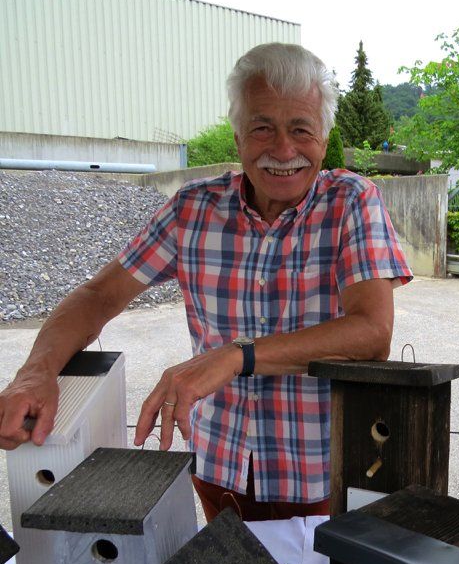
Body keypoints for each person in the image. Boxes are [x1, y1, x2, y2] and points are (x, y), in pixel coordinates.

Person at [0, 43, 412, 522]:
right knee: (221, 558)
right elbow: (97, 297)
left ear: (323, 138)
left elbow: (372, 333)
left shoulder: (352, 201)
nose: (283, 150)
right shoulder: (193, 208)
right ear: (238, 138)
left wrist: (237, 356)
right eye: (262, 128)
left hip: (321, 468)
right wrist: (35, 373)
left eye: (301, 129)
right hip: (218, 463)